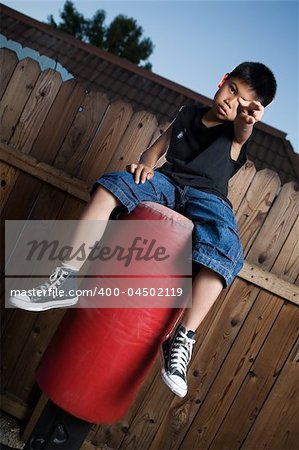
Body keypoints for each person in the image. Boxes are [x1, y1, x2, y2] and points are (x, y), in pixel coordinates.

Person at [9, 62, 277, 397]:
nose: (232, 101)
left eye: (243, 103)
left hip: (208, 198)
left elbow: (242, 132)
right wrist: (145, 165)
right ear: (223, 80)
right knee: (112, 185)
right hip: (166, 182)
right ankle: (67, 277)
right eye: (233, 89)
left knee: (226, 246)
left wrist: (247, 121)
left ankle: (183, 337)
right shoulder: (186, 114)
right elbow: (155, 149)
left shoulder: (235, 135)